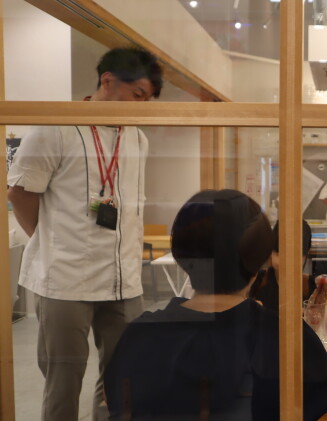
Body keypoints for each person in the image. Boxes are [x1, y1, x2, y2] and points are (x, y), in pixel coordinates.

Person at [7, 47, 163, 421]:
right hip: (65, 281)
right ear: (107, 80)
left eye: (147, 100)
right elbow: (21, 193)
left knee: (122, 381)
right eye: (137, 95)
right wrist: (50, 241)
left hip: (124, 281)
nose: (141, 106)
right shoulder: (55, 127)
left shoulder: (137, 138)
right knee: (63, 383)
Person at [104, 189, 327, 420]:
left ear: (181, 255)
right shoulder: (282, 334)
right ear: (259, 257)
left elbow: (112, 397)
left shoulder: (139, 334)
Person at [249, 220, 318, 311]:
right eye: (279, 254)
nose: (286, 262)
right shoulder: (256, 281)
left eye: (295, 255)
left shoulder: (312, 286)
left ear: (307, 253)